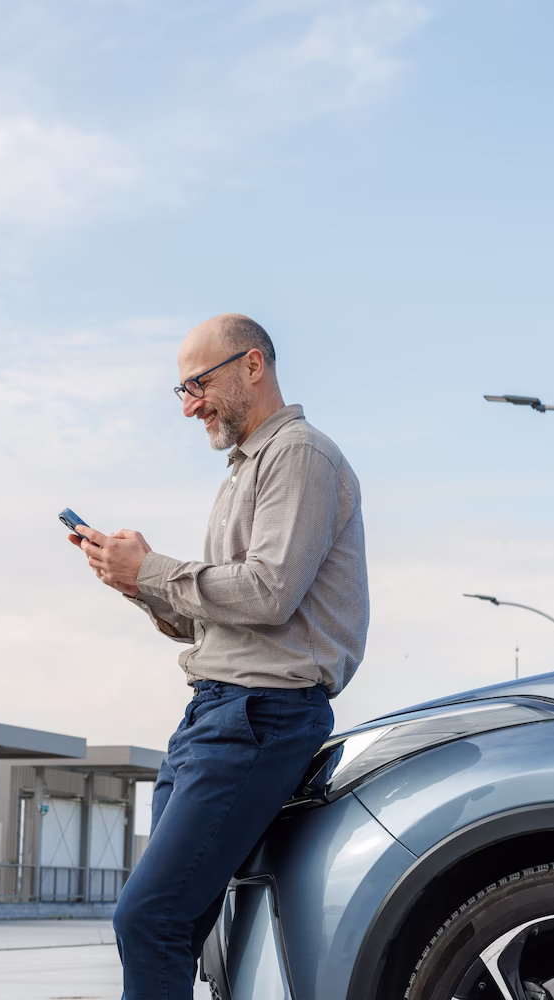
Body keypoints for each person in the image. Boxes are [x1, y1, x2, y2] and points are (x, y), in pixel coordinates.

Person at [68, 313, 369, 998]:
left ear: (253, 365)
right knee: (181, 929)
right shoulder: (244, 471)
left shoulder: (299, 455)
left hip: (258, 716)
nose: (189, 405)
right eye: (179, 391)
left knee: (148, 919)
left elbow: (269, 592)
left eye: (197, 384)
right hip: (213, 717)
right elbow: (214, 625)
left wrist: (151, 569)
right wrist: (133, 582)